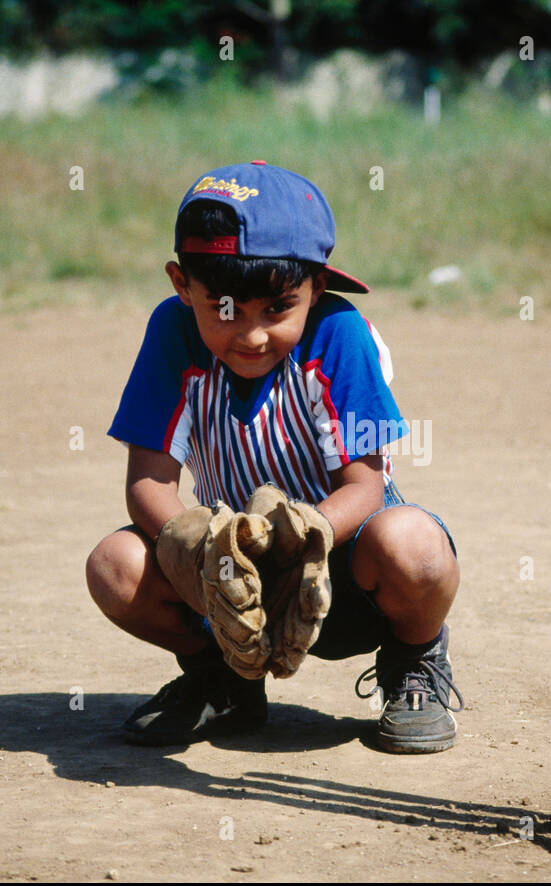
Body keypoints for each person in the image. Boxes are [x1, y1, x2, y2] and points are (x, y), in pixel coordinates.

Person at [85, 161, 462, 754]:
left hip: (338, 570)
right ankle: (223, 677)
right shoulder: (171, 332)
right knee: (115, 564)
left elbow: (364, 488)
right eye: (226, 309)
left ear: (315, 287)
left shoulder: (338, 332)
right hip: (230, 575)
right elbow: (148, 485)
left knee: (414, 545)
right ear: (183, 285)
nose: (253, 334)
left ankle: (415, 661)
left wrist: (301, 539)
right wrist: (209, 548)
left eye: (277, 309)